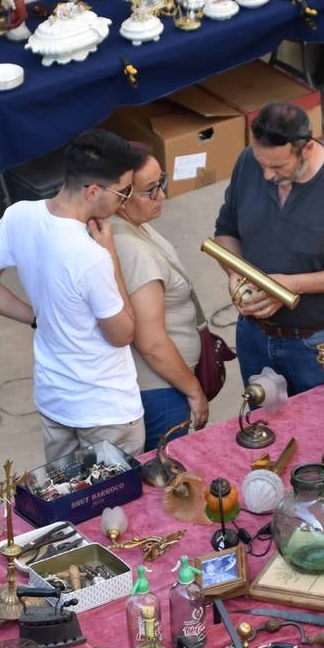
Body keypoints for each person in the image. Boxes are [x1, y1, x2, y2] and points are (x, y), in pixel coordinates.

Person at [0, 128, 145, 461]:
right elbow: (122, 334)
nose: (125, 200)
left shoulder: (19, 215)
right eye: (123, 191)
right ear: (93, 191)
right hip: (106, 409)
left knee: (65, 495)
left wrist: (37, 316)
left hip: (54, 400)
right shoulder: (90, 256)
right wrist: (111, 256)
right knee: (112, 506)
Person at [213, 101, 324, 396]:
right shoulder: (248, 162)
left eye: (278, 166)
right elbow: (226, 231)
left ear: (306, 148)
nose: (266, 175)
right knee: (260, 429)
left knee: (323, 430)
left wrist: (291, 286)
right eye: (261, 163)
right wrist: (236, 273)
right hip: (253, 335)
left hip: (318, 342)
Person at [110, 148, 209, 452]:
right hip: (162, 390)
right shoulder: (133, 251)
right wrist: (194, 391)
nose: (161, 194)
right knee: (170, 485)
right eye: (150, 190)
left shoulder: (128, 224)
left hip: (162, 383)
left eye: (161, 182)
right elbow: (151, 343)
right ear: (121, 195)